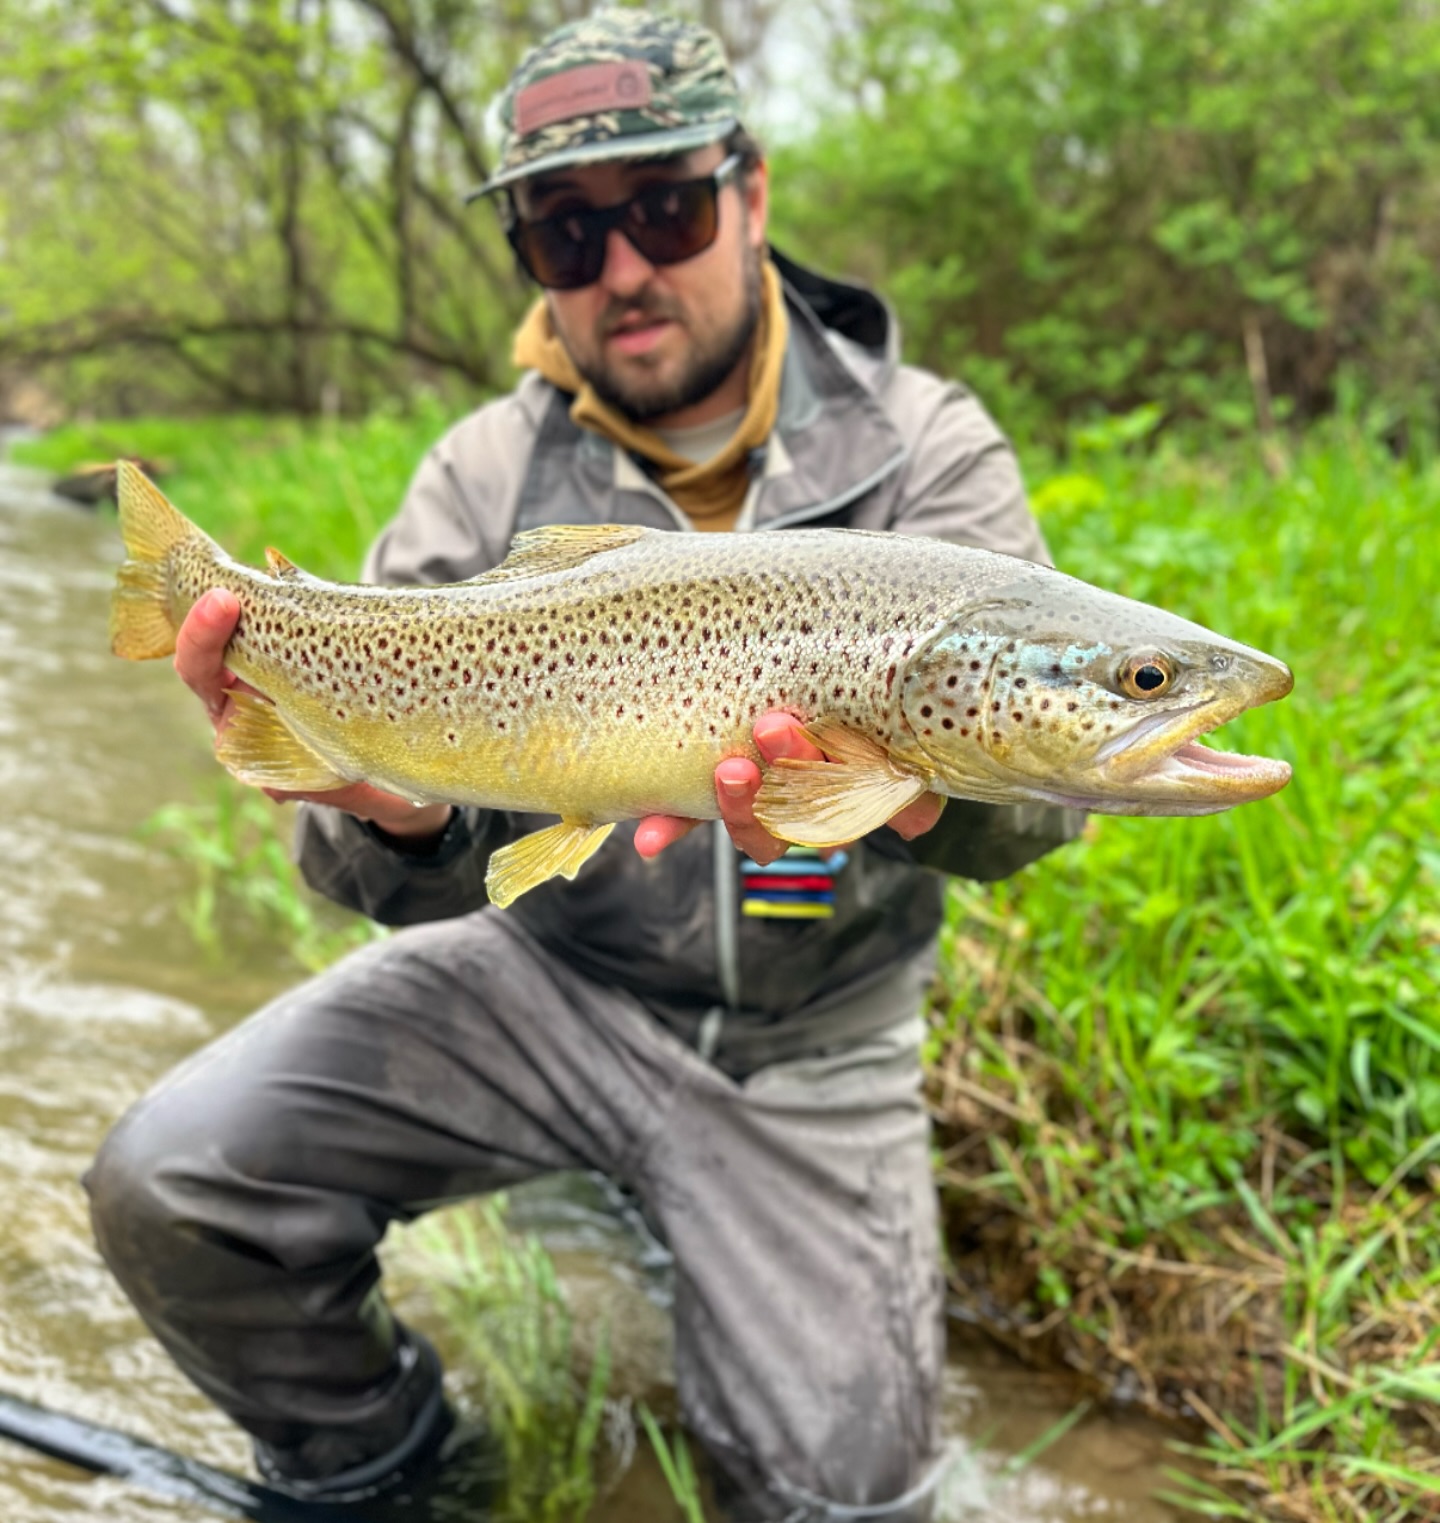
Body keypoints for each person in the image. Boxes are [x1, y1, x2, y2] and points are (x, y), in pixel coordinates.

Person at [84, 12, 1081, 1520]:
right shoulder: (479, 476)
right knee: (172, 1179)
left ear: (749, 192)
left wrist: (941, 786)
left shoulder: (928, 452)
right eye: (564, 231)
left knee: (853, 1500)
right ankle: (401, 1463)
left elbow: (1040, 800)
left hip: (808, 1042)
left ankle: (672, 1221)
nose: (622, 268)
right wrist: (396, 806)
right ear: (530, 255)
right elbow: (358, 869)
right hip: (547, 983)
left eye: (664, 209)